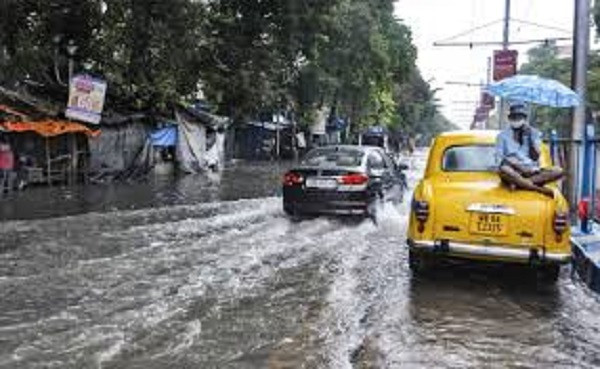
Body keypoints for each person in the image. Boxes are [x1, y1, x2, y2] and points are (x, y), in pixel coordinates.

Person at [496, 103, 564, 198]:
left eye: (519, 117)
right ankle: (537, 189)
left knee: (558, 171)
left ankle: (520, 184)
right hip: (512, 171)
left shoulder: (534, 133)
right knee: (504, 169)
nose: (516, 119)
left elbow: (535, 157)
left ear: (524, 119)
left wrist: (530, 139)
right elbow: (499, 158)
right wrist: (518, 166)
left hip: (531, 172)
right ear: (509, 118)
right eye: (514, 117)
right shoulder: (502, 136)